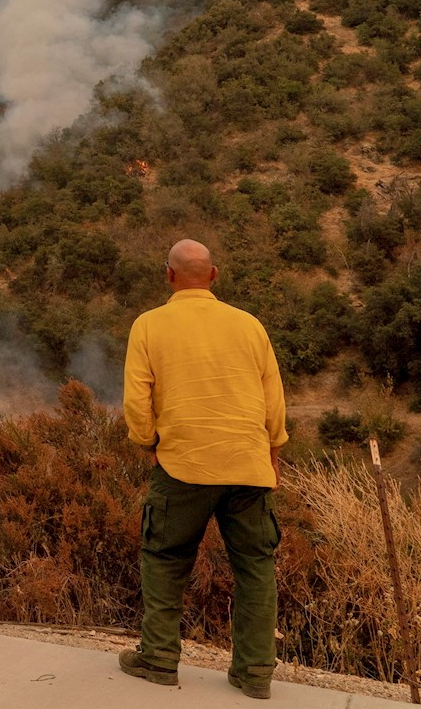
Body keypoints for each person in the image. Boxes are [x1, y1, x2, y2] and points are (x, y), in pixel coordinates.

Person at [119, 238, 288, 700]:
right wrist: (273, 448)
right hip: (248, 466)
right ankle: (254, 673)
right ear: (214, 276)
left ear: (168, 276)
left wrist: (148, 442)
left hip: (182, 465)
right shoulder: (249, 326)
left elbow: (137, 399)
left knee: (165, 559)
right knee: (255, 567)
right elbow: (273, 396)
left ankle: (157, 660)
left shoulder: (149, 325)